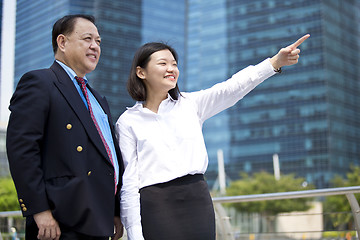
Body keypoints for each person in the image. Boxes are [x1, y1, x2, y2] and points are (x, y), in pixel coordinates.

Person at [116, 34, 310, 240]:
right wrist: (134, 234)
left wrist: (274, 63)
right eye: (163, 63)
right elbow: (129, 182)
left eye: (174, 64)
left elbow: (232, 87)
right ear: (141, 72)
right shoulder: (128, 122)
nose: (171, 69)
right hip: (155, 206)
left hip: (197, 200)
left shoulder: (190, 104)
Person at [6, 14, 124, 240]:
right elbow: (22, 150)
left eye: (98, 41)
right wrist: (39, 210)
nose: (95, 46)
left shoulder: (98, 99)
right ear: (62, 42)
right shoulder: (40, 82)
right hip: (59, 221)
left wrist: (114, 211)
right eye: (87, 38)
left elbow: (108, 158)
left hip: (98, 218)